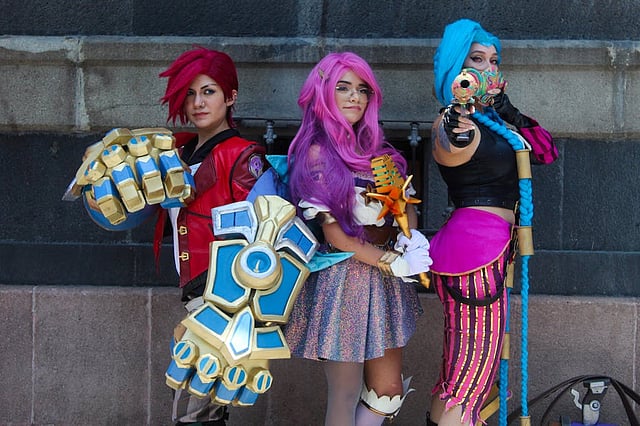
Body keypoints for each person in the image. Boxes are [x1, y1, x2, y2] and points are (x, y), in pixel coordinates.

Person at [282, 51, 432, 426]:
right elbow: (337, 236)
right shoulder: (317, 153)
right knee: (345, 393)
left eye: (363, 89)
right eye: (344, 87)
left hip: (384, 279)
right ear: (323, 93)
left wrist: (411, 239)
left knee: (387, 391)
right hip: (343, 279)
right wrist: (393, 262)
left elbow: (403, 207)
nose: (355, 97)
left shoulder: (380, 155)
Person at [426, 19, 557, 426]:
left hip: (487, 254)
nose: (487, 68)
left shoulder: (494, 123)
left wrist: (507, 110)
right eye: (476, 59)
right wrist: (458, 120)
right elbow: (451, 141)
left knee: (466, 377)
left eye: (493, 60)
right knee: (469, 378)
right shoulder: (454, 120)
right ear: (457, 68)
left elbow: (546, 151)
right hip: (475, 256)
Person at [155, 47, 267, 426]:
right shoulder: (178, 152)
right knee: (198, 405)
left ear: (230, 97)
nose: (198, 102)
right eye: (190, 93)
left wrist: (224, 313)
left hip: (224, 298)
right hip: (195, 294)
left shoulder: (244, 156)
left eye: (209, 92)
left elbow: (261, 240)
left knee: (194, 410)